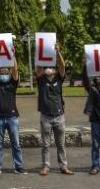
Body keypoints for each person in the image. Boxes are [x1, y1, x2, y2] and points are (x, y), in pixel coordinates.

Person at [36, 45, 73, 176]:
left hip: (59, 116)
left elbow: (63, 66)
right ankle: (46, 166)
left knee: (61, 144)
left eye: (51, 68)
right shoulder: (41, 80)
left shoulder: (59, 78)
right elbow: (38, 69)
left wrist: (57, 51)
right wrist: (40, 52)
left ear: (55, 70)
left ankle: (63, 166)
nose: (48, 69)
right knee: (46, 144)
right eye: (46, 68)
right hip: (45, 116)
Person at [0, 56, 26, 176]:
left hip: (12, 117)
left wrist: (13, 55)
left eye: (7, 72)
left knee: (16, 144)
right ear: (0, 72)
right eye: (2, 71)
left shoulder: (13, 83)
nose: (5, 73)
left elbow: (16, 70)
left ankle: (19, 166)